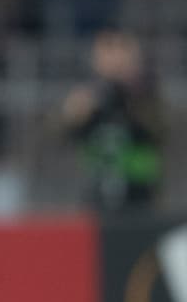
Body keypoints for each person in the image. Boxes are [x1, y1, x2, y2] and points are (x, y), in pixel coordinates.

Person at [61, 29, 163, 213]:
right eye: (107, 51)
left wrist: (129, 91)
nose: (115, 60)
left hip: (140, 191)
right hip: (96, 189)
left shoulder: (147, 91)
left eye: (121, 51)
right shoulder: (88, 94)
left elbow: (159, 130)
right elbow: (61, 135)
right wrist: (73, 115)